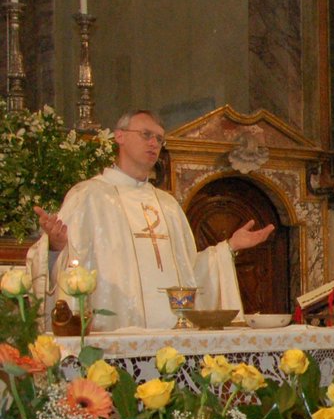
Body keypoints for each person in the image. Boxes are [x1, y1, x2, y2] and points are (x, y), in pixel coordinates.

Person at [27, 110, 274, 330]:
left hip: (172, 341)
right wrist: (56, 248)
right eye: (146, 134)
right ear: (120, 136)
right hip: (113, 338)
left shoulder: (168, 206)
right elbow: (68, 271)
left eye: (159, 139)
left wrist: (229, 248)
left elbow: (188, 274)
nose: (154, 143)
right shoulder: (88, 197)